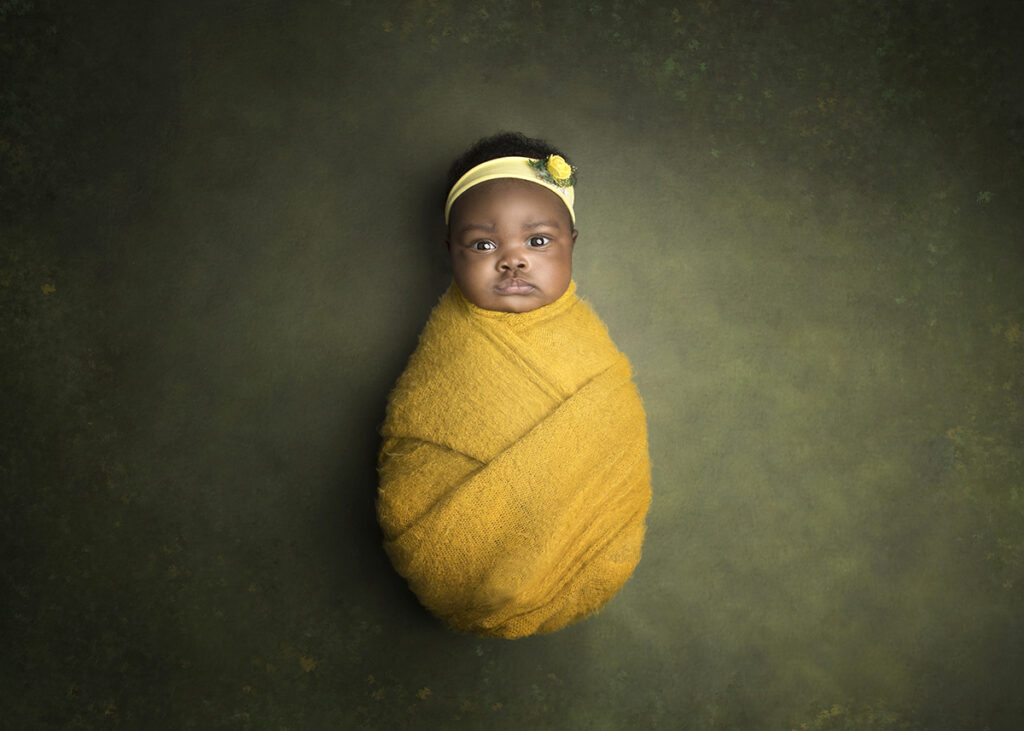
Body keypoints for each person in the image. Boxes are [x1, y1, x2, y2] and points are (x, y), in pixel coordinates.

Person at [377, 132, 651, 639]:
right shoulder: (447, 355)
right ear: (451, 253)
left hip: (585, 558)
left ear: (572, 242)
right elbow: (412, 448)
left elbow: (618, 445)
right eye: (484, 244)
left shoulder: (592, 352)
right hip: (452, 564)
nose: (513, 259)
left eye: (538, 241)